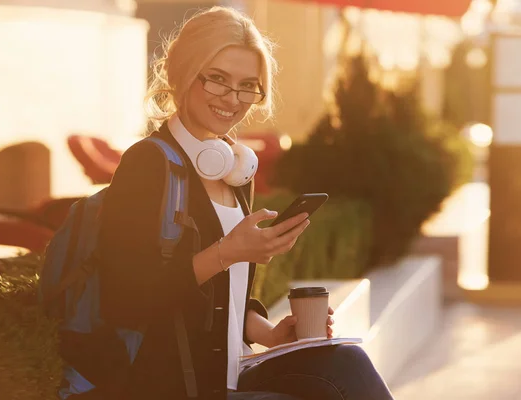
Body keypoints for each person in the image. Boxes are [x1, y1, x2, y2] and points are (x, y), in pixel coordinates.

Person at [96, 6, 395, 400]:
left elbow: (221, 296)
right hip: (179, 384)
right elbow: (127, 295)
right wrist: (227, 252)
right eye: (217, 79)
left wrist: (268, 332)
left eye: (247, 85)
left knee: (347, 361)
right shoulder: (148, 163)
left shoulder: (234, 171)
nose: (232, 99)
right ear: (180, 74)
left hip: (234, 372)